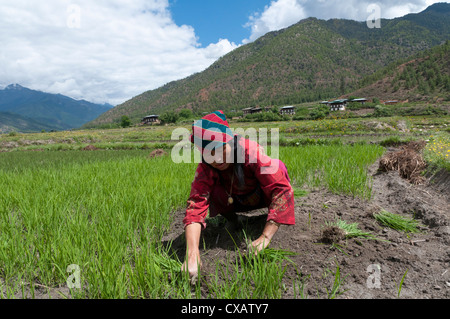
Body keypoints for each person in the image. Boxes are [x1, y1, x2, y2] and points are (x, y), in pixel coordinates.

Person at [181, 110, 295, 281]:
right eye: (208, 153)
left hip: (261, 195)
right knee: (209, 191)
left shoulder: (250, 151)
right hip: (234, 199)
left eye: (221, 149)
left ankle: (268, 223)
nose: (216, 159)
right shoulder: (205, 167)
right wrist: (192, 254)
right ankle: (234, 221)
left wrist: (265, 238)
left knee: (277, 167)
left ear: (230, 141)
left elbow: (281, 189)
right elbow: (196, 204)